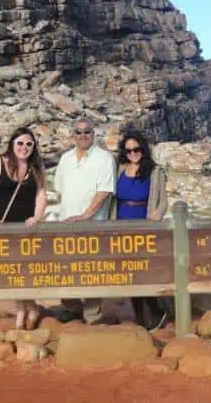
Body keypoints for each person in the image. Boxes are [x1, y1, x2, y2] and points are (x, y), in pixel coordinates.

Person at [0, 127, 47, 330]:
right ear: (12, 143)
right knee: (12, 271)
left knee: (24, 271)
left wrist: (37, 216)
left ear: (33, 147)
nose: (24, 147)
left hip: (27, 228)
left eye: (29, 144)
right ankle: (28, 309)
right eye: (20, 143)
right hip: (4, 227)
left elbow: (41, 194)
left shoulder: (36, 168)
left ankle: (23, 312)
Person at [54, 118, 116, 323]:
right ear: (73, 135)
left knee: (91, 271)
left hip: (93, 224)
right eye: (78, 132)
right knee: (65, 269)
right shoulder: (65, 159)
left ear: (93, 134)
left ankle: (92, 316)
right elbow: (60, 191)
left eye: (87, 132)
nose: (83, 136)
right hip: (66, 224)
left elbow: (104, 191)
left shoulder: (104, 158)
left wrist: (86, 215)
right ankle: (72, 309)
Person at [113, 129, 169, 330]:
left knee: (142, 272)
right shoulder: (119, 169)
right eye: (128, 151)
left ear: (143, 150)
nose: (133, 154)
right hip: (121, 226)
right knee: (129, 275)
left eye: (136, 149)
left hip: (144, 226)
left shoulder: (154, 171)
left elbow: (163, 201)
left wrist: (157, 215)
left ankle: (156, 310)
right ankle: (140, 318)